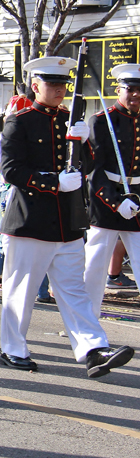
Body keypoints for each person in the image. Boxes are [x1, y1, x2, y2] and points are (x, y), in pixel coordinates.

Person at [0, 56, 133, 377]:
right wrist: (52, 181)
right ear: (36, 86)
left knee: (75, 292)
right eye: (52, 83)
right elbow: (11, 170)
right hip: (30, 220)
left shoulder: (68, 120)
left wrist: (86, 143)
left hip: (67, 221)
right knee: (22, 290)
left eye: (63, 84)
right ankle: (13, 347)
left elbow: (87, 165)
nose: (59, 89)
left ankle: (93, 347)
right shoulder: (20, 121)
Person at [84, 63, 140, 314]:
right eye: (130, 89)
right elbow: (94, 170)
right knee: (95, 267)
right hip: (106, 201)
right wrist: (116, 202)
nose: (136, 95)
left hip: (138, 199)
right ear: (119, 90)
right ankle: (85, 320)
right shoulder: (100, 121)